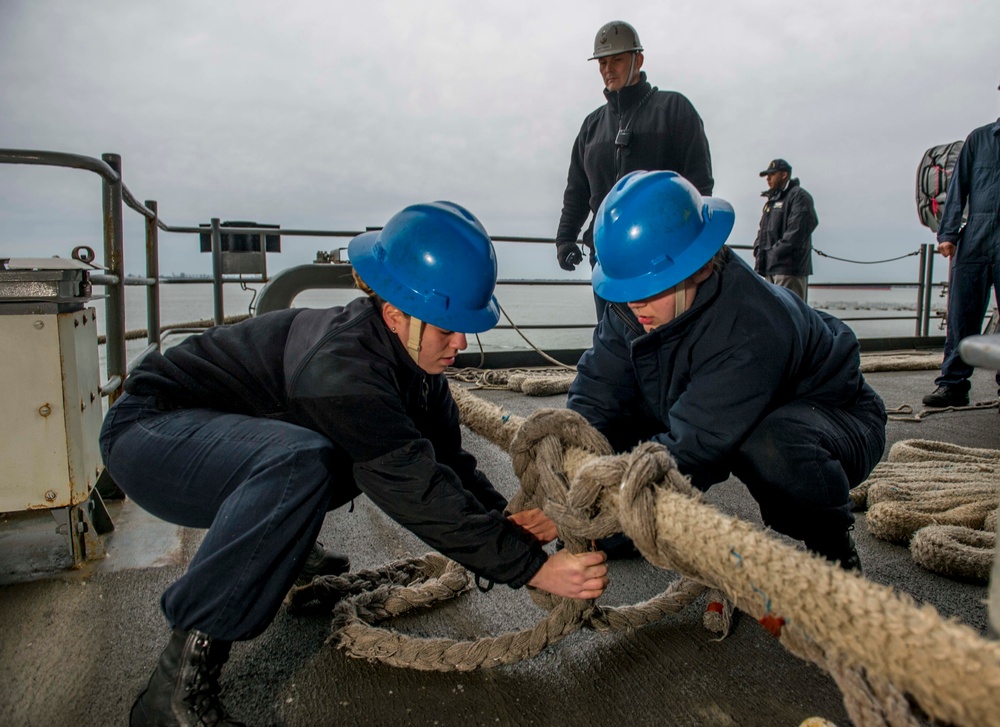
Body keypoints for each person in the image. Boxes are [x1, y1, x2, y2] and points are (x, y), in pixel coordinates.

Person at [100, 201, 609, 727]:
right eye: (445, 328)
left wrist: (514, 527)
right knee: (305, 461)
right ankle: (173, 692)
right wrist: (535, 570)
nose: (459, 343)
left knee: (337, 455)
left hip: (222, 440)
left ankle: (283, 546)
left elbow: (445, 465)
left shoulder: (415, 369)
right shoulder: (344, 371)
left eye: (464, 327)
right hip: (152, 433)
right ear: (394, 313)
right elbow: (414, 490)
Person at [567, 171, 887, 570]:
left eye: (650, 289)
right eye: (625, 290)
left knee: (772, 448)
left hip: (832, 415)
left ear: (699, 267)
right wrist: (570, 483)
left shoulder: (751, 327)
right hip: (722, 402)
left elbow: (694, 448)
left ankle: (833, 547)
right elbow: (596, 391)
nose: (635, 305)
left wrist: (625, 506)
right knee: (612, 441)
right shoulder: (635, 303)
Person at [554, 20, 714, 320]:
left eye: (617, 59)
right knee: (611, 343)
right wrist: (565, 239)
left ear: (638, 60)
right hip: (606, 259)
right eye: (602, 62)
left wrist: (693, 252)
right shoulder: (591, 126)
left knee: (662, 344)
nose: (607, 69)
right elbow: (577, 190)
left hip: (662, 261)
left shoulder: (675, 109)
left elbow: (700, 186)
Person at [923, 84, 1000, 408]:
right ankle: (953, 384)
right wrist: (947, 234)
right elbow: (958, 189)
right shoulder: (979, 140)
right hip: (977, 237)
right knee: (961, 314)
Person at [752, 158, 818, 302]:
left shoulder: (799, 196)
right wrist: (758, 249)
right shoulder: (772, 201)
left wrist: (775, 252)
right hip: (771, 267)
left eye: (772, 174)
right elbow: (763, 230)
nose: (768, 178)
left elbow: (798, 230)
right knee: (774, 314)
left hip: (789, 269)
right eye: (767, 176)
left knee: (792, 313)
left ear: (784, 175)